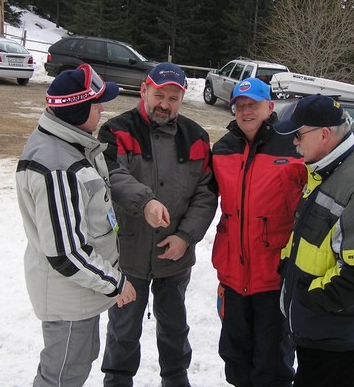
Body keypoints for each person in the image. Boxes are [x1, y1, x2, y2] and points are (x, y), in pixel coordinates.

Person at [16, 64, 137, 387]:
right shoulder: (58, 167)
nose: (102, 109)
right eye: (97, 103)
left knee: (74, 367)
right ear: (78, 110)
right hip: (68, 297)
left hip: (79, 293)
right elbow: (66, 253)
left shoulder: (71, 143)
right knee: (62, 377)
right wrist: (114, 282)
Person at [98, 62, 218, 387]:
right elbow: (112, 176)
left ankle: (176, 380)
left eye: (173, 98)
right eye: (159, 95)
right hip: (129, 254)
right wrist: (146, 201)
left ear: (182, 99)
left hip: (174, 257)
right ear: (144, 91)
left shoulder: (196, 137)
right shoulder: (116, 130)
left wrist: (185, 237)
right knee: (123, 331)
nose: (165, 104)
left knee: (175, 329)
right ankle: (117, 381)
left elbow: (206, 193)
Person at [273, 94, 354, 387]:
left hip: (339, 338)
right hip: (322, 329)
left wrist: (307, 298)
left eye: (299, 135)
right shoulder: (326, 169)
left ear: (324, 134)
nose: (294, 143)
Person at [211, 78, 307, 386]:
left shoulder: (292, 147)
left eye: (253, 105)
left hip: (273, 280)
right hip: (233, 276)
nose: (246, 111)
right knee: (236, 359)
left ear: (269, 106)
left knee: (273, 364)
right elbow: (200, 195)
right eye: (240, 106)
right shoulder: (223, 149)